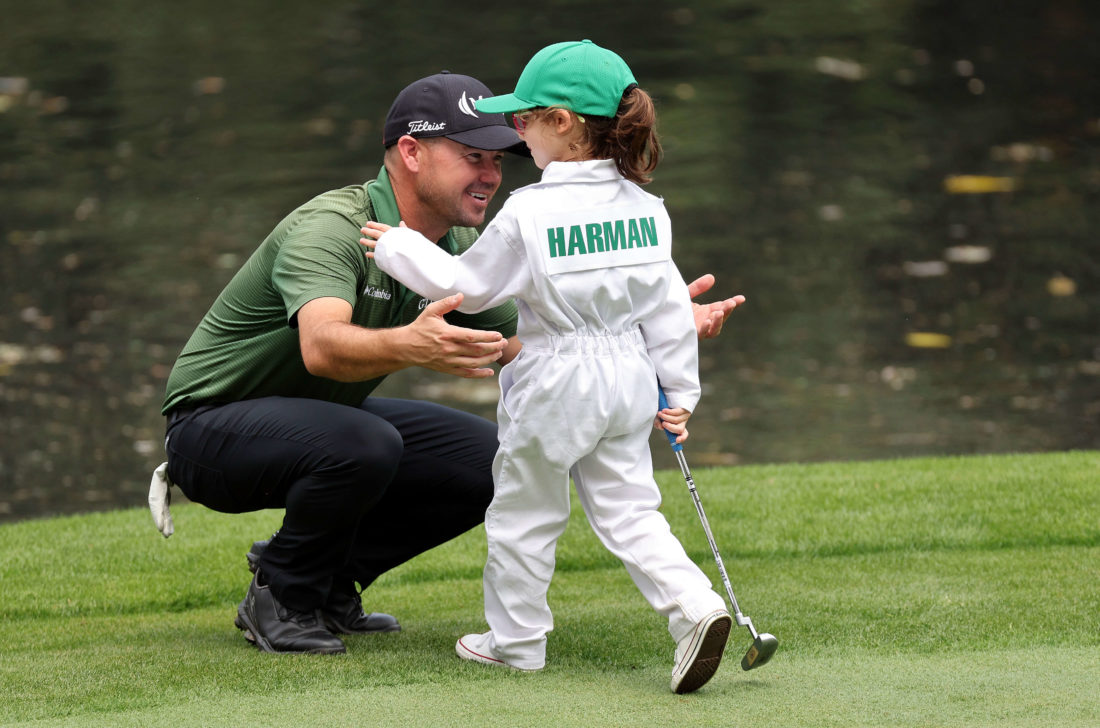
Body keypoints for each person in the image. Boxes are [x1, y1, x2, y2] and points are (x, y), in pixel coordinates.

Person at [149, 70, 744, 659]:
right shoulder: (335, 227)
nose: (491, 175)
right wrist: (413, 344)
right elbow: (322, 347)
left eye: (500, 159)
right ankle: (283, 591)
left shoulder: (458, 245)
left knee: (491, 459)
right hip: (211, 426)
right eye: (472, 156)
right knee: (365, 443)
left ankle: (331, 579)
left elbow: (525, 347)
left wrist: (643, 335)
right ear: (411, 151)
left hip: (325, 415)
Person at [360, 41, 732, 694]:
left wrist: (396, 246)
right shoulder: (647, 209)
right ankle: (696, 608)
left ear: (563, 123)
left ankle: (516, 642)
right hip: (629, 381)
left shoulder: (531, 212)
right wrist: (679, 393)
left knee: (525, 513)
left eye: (524, 118)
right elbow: (670, 310)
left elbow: (468, 289)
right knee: (632, 511)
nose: (516, 133)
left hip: (558, 378)